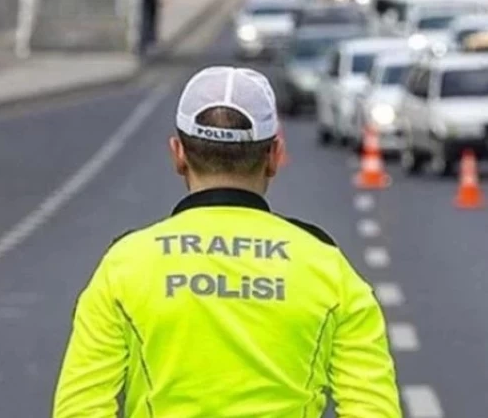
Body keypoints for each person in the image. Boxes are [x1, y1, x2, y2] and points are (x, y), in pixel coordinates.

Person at [53, 66, 402, 417]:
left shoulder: (124, 266)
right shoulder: (328, 269)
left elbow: (79, 409)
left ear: (178, 154)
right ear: (274, 156)